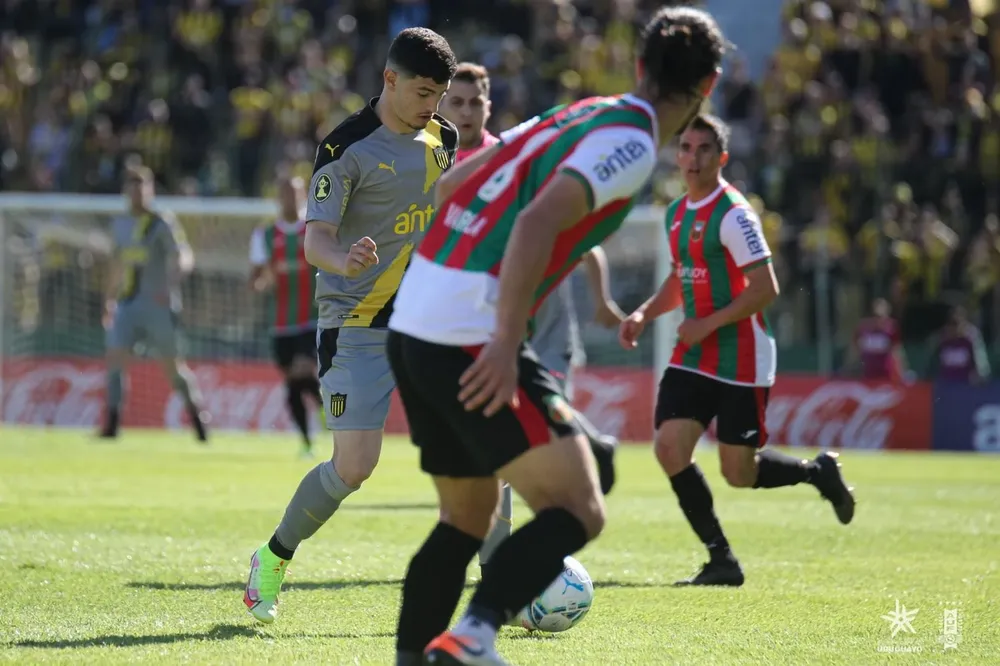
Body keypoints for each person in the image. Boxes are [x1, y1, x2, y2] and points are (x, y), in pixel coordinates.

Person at [387, 8, 727, 664]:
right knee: (582, 503)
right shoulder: (631, 143)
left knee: (465, 517)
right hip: (467, 326)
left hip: (418, 315)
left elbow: (456, 182)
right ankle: (475, 636)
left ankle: (424, 655)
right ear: (708, 83)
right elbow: (538, 223)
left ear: (638, 66)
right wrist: (504, 339)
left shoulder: (585, 111)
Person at [242, 27, 459, 624]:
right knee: (354, 467)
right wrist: (346, 259)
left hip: (423, 321)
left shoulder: (445, 138)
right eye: (421, 92)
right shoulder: (344, 148)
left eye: (438, 94)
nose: (431, 106)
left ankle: (510, 585)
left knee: (479, 441)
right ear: (389, 80)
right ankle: (273, 555)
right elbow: (315, 242)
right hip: (356, 322)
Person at [618, 114, 856, 588]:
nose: (692, 158)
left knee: (738, 473)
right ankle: (720, 559)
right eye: (685, 148)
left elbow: (766, 287)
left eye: (704, 149)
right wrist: (645, 313)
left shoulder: (734, 214)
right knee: (669, 448)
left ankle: (818, 473)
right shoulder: (676, 212)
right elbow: (681, 276)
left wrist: (705, 323)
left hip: (740, 357)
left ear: (721, 157)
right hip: (694, 354)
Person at [439, 61, 623, 577]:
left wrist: (603, 302)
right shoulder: (436, 167)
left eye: (476, 102)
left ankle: (518, 559)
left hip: (542, 334)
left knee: (517, 443)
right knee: (490, 453)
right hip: (474, 333)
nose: (469, 111)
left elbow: (578, 236)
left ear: (489, 106)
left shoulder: (513, 160)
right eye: (458, 102)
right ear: (441, 107)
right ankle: (505, 558)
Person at [99, 165, 208, 442]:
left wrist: (180, 270)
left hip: (158, 304)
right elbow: (115, 264)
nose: (138, 193)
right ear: (126, 192)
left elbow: (182, 253)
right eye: (133, 187)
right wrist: (108, 300)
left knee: (172, 368)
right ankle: (112, 424)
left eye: (143, 187)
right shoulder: (120, 224)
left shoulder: (161, 222)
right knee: (115, 357)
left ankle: (197, 417)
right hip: (127, 304)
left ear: (150, 191)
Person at [249, 175, 322, 456]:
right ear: (278, 198)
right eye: (285, 193)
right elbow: (254, 280)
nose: (290, 199)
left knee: (304, 368)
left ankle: (327, 414)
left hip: (312, 318)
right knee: (293, 384)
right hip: (280, 324)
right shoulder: (265, 235)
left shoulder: (314, 229)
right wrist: (263, 282)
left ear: (304, 195)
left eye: (295, 193)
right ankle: (308, 439)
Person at [846, 298, 910, 383]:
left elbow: (897, 350)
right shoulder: (864, 328)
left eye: (881, 316)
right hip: (868, 375)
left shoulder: (891, 329)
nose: (879, 320)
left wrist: (903, 371)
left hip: (886, 375)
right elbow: (854, 347)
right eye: (876, 315)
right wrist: (850, 366)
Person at [928, 305, 991, 384]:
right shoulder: (942, 341)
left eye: (959, 323)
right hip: (945, 385)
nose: (956, 327)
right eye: (953, 323)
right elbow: (931, 366)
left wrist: (978, 376)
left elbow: (982, 367)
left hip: (966, 386)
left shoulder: (971, 340)